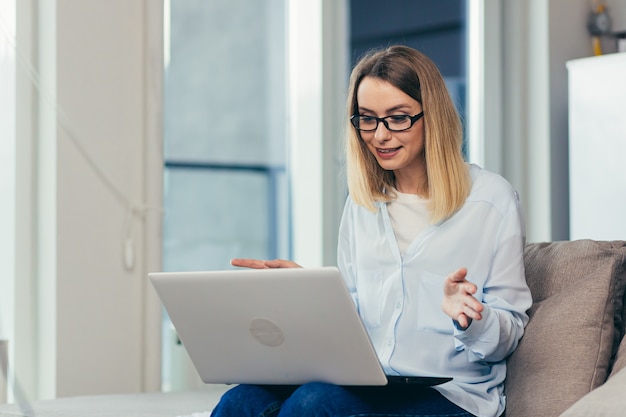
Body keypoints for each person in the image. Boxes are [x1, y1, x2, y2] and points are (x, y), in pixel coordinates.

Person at [210, 45, 532, 417]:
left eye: (397, 118)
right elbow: (353, 322)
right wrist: (307, 296)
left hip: (455, 396)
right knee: (241, 399)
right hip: (372, 384)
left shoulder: (491, 200)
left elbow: (510, 332)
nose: (379, 135)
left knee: (315, 403)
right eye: (367, 119)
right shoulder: (363, 203)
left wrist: (472, 318)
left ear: (434, 117)